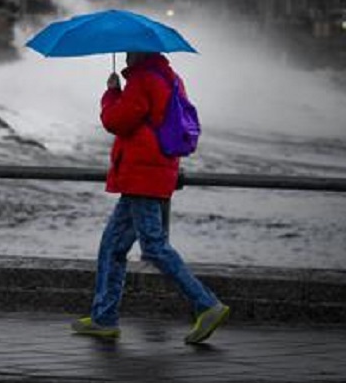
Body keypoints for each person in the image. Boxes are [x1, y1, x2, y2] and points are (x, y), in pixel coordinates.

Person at [71, 51, 229, 344]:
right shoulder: (171, 78)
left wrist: (110, 92)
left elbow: (117, 121)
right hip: (153, 172)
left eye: (130, 53)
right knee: (112, 246)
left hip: (143, 175)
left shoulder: (142, 80)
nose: (127, 58)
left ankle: (207, 305)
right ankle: (103, 318)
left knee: (154, 247)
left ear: (138, 55)